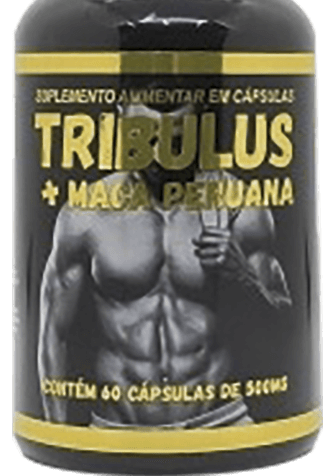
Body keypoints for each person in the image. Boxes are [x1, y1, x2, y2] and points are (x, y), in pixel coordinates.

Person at [38, 101, 292, 429]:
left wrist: (242, 275)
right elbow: (53, 335)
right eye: (146, 137)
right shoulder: (85, 214)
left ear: (197, 125)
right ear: (122, 118)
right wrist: (58, 435)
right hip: (117, 426)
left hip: (222, 420)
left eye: (175, 140)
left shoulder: (240, 207)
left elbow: (287, 326)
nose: (158, 155)